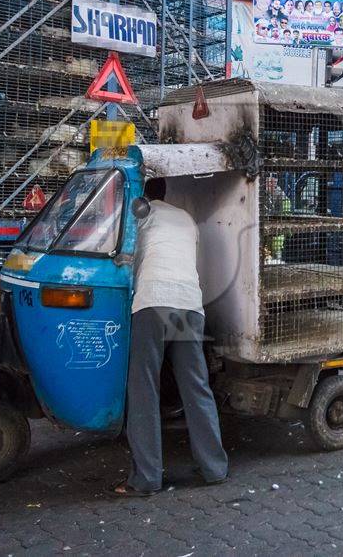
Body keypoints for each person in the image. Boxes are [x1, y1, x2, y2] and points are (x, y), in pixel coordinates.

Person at [112, 178, 228, 497]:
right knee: (195, 385)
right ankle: (214, 467)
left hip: (152, 300)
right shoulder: (184, 217)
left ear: (142, 192)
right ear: (166, 192)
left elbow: (124, 259)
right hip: (188, 304)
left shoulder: (140, 213)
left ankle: (146, 478)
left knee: (144, 389)